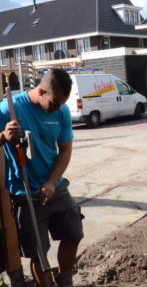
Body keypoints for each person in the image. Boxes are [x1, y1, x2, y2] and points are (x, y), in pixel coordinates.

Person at [0, 69, 83, 287]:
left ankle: (65, 281)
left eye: (61, 104)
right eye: (54, 103)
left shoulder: (61, 111)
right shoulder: (9, 109)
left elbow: (65, 150)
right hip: (24, 191)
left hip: (54, 185)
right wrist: (3, 137)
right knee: (39, 250)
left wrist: (51, 182)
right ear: (41, 91)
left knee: (73, 233)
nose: (58, 109)